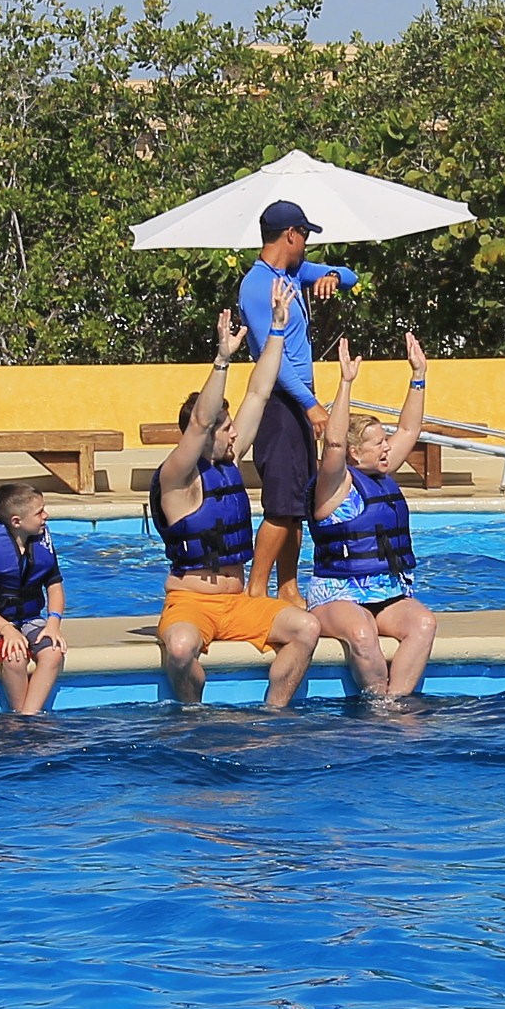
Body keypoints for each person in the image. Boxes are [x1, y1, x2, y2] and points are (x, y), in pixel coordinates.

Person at [152, 297, 322, 707]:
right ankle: (193, 714)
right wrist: (222, 359)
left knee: (307, 629)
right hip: (191, 604)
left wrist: (276, 331)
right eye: (226, 428)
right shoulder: (177, 479)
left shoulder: (229, 460)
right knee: (180, 649)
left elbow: (259, 392)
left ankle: (274, 713)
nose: (235, 434)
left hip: (239, 601)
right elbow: (200, 422)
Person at [236, 198, 361, 601]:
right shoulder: (257, 285)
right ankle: (256, 591)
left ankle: (287, 588)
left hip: (298, 403)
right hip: (279, 405)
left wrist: (332, 277)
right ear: (291, 234)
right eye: (305, 235)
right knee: (280, 505)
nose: (306, 244)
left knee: (297, 504)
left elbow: (352, 276)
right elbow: (271, 359)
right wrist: (310, 404)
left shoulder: (294, 272)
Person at [305, 333, 440, 699]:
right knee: (362, 632)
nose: (387, 448)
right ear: (354, 452)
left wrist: (418, 375)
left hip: (387, 592)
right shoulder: (335, 485)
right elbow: (333, 443)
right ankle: (376, 705)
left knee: (424, 623)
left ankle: (394, 705)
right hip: (338, 594)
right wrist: (346, 382)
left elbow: (410, 429)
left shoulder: (380, 472)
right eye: (379, 443)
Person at [0, 481, 67, 717]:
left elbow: (55, 587)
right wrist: (6, 630)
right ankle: (18, 715)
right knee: (15, 657)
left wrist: (53, 623)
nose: (46, 515)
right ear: (16, 521)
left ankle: (29, 715)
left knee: (53, 652)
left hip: (30, 619)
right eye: (39, 512)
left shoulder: (42, 544)